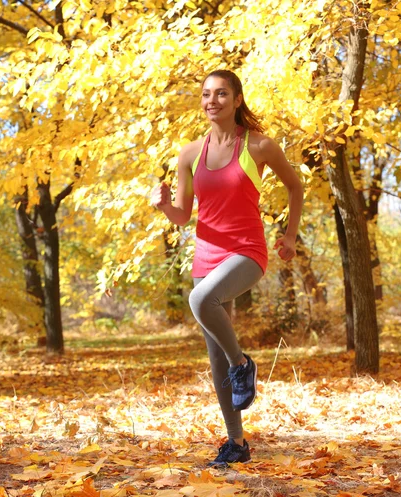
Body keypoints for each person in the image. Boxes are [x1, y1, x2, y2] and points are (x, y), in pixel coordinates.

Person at [151, 69, 303, 468]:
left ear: (237, 100)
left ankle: (243, 364)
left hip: (247, 251)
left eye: (221, 94)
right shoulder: (189, 153)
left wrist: (289, 236)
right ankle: (236, 443)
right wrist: (164, 205)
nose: (212, 100)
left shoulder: (259, 146)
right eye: (205, 94)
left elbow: (295, 186)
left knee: (200, 299)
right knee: (214, 355)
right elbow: (183, 216)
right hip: (206, 255)